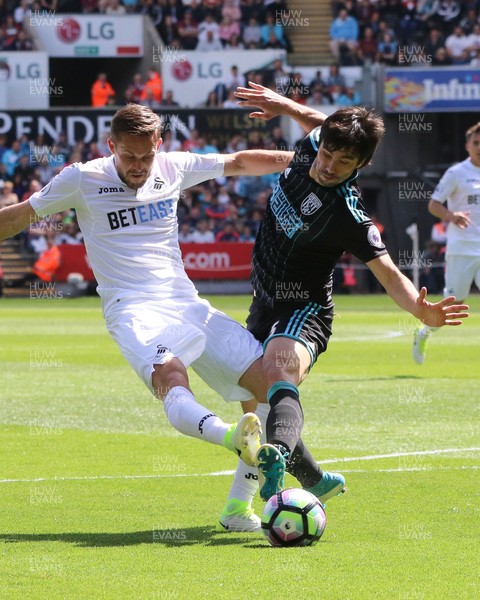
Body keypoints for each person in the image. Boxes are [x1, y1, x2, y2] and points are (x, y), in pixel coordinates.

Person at [0, 103, 299, 532]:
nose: (139, 166)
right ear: (111, 147)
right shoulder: (82, 178)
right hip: (131, 308)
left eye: (146, 156)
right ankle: (232, 437)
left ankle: (237, 509)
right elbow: (23, 214)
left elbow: (237, 162)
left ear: (159, 144)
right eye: (129, 157)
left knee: (271, 389)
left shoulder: (173, 167)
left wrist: (300, 159)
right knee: (171, 377)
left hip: (186, 303)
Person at [230, 82, 468, 508]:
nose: (329, 166)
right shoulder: (314, 146)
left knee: (279, 371)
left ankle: (278, 460)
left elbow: (388, 272)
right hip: (262, 300)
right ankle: (315, 479)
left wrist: (419, 309)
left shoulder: (349, 214)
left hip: (304, 307)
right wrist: (283, 104)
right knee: (257, 405)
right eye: (327, 154)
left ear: (363, 164)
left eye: (343, 163)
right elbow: (320, 123)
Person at [413, 122, 480, 365]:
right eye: (476, 143)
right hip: (461, 249)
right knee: (454, 304)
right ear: (467, 146)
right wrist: (451, 216)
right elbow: (433, 204)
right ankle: (424, 332)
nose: (479, 147)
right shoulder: (456, 173)